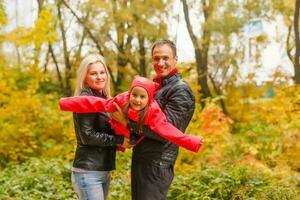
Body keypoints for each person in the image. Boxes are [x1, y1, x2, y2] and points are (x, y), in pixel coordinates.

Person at [112, 39, 196, 200]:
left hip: (157, 164)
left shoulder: (180, 91)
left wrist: (125, 122)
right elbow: (145, 123)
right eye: (156, 58)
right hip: (145, 162)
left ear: (175, 60)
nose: (161, 63)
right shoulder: (158, 88)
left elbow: (164, 132)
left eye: (166, 58)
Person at [59, 76, 202, 153]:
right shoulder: (122, 100)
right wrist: (65, 103)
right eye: (135, 95)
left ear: (149, 99)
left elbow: (169, 132)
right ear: (130, 93)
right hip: (116, 130)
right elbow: (93, 103)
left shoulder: (153, 112)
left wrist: (192, 141)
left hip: (133, 138)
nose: (137, 100)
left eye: (142, 97)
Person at [69, 54, 130, 200]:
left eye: (102, 72)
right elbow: (87, 136)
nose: (99, 77)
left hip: (102, 170)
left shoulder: (103, 99)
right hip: (88, 171)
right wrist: (119, 140)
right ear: (84, 77)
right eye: (93, 73)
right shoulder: (85, 100)